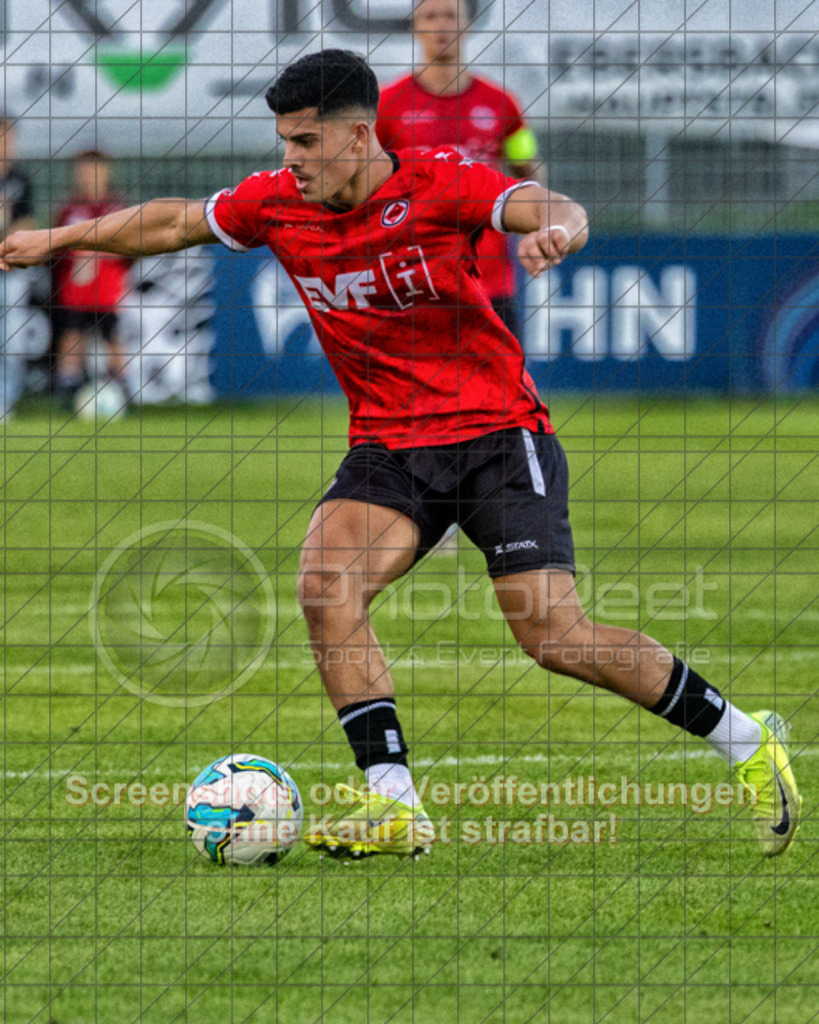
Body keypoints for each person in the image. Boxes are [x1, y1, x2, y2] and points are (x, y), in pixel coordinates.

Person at [0, 49, 800, 861]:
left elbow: (539, 200)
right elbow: (168, 223)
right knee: (324, 584)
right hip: (390, 447)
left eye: (305, 142)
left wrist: (561, 227)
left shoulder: (436, 182)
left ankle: (744, 738)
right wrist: (58, 241)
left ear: (357, 135)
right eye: (283, 141)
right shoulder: (275, 204)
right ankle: (394, 806)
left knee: (553, 636)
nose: (290, 159)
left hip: (495, 435)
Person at [376, 0, 539, 339]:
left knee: (505, 391)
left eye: (451, 15)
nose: (441, 25)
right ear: (415, 28)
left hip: (489, 282)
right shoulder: (387, 105)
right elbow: (363, 185)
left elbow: (528, 172)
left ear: (468, 26)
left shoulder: (503, 104)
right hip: (415, 281)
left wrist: (539, 227)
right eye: (430, 16)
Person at [51, 149, 131, 407]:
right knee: (71, 339)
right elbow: (55, 249)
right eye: (83, 170)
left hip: (107, 291)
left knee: (113, 340)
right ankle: (68, 392)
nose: (88, 176)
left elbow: (132, 247)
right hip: (74, 292)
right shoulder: (69, 209)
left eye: (94, 169)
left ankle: (124, 392)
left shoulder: (117, 208)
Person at [0, 114, 36, 420]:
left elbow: (28, 223)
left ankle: (5, 402)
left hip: (10, 271)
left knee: (12, 340)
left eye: (7, 136)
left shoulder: (21, 179)